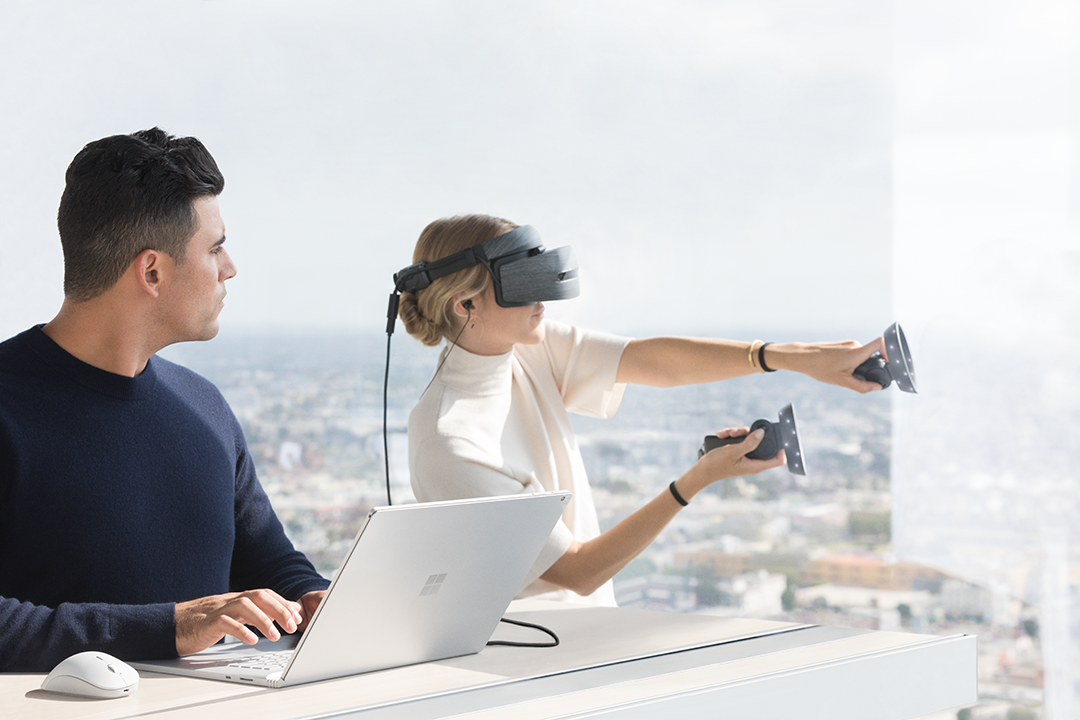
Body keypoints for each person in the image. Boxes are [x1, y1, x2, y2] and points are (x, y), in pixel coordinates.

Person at [396, 214, 887, 606]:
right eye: (522, 284)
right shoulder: (449, 441)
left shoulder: (524, 349)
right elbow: (578, 572)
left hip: (587, 643)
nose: (543, 298)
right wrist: (695, 480)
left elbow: (654, 360)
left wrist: (797, 358)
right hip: (527, 667)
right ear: (465, 306)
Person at [0, 128, 329, 672]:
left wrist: (314, 597)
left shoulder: (204, 405)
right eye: (216, 247)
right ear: (152, 271)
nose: (230, 268)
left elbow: (270, 563)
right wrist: (169, 626)